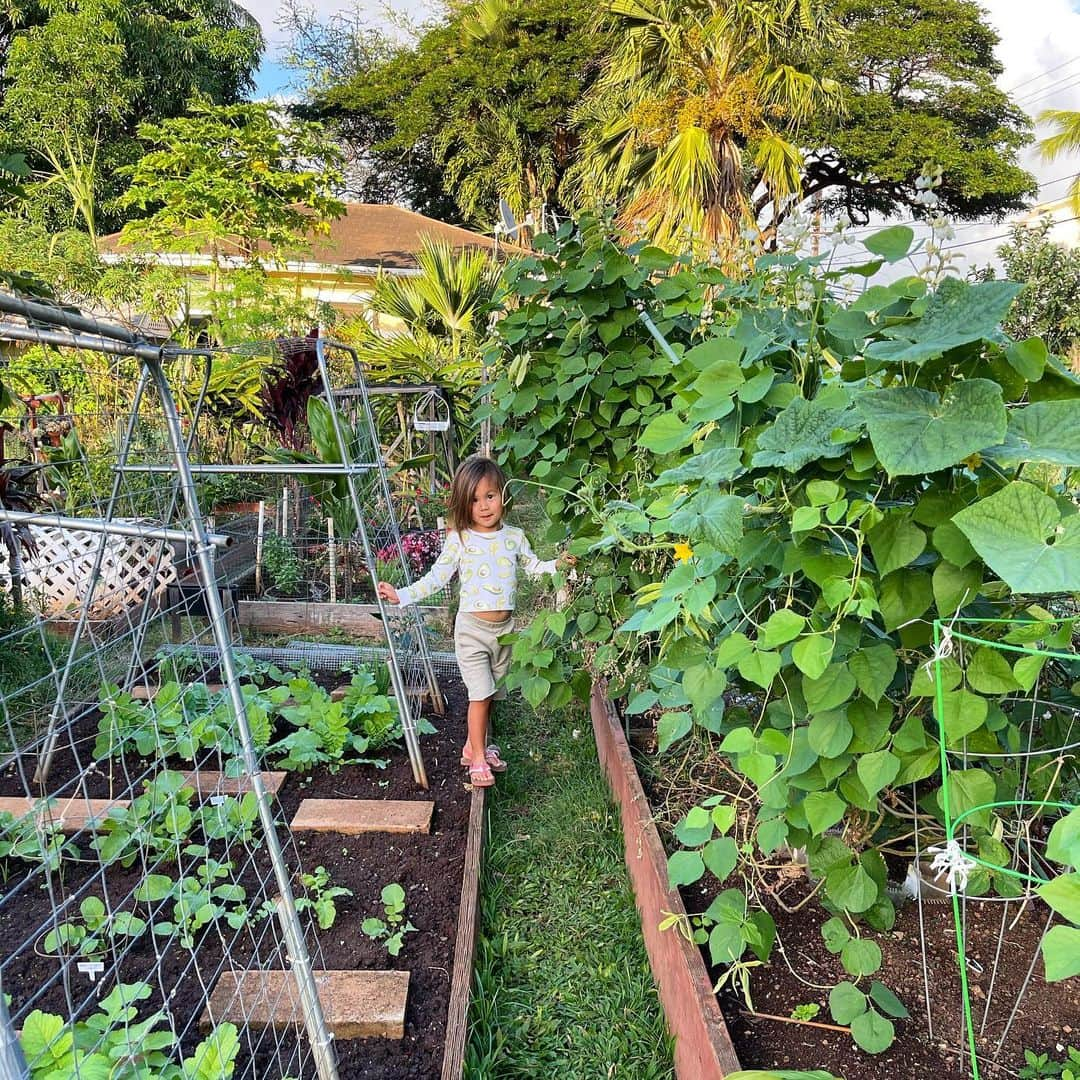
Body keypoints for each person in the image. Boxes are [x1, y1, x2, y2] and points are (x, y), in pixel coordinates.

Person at [377, 455, 575, 788]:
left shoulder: (514, 537)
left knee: (493, 693)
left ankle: (474, 746)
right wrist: (403, 594)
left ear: (503, 497)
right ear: (461, 504)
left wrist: (557, 563)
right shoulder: (462, 539)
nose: (483, 506)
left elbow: (534, 567)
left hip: (505, 633)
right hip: (471, 630)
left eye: (490, 496)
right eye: (473, 499)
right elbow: (438, 577)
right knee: (479, 694)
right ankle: (479, 760)